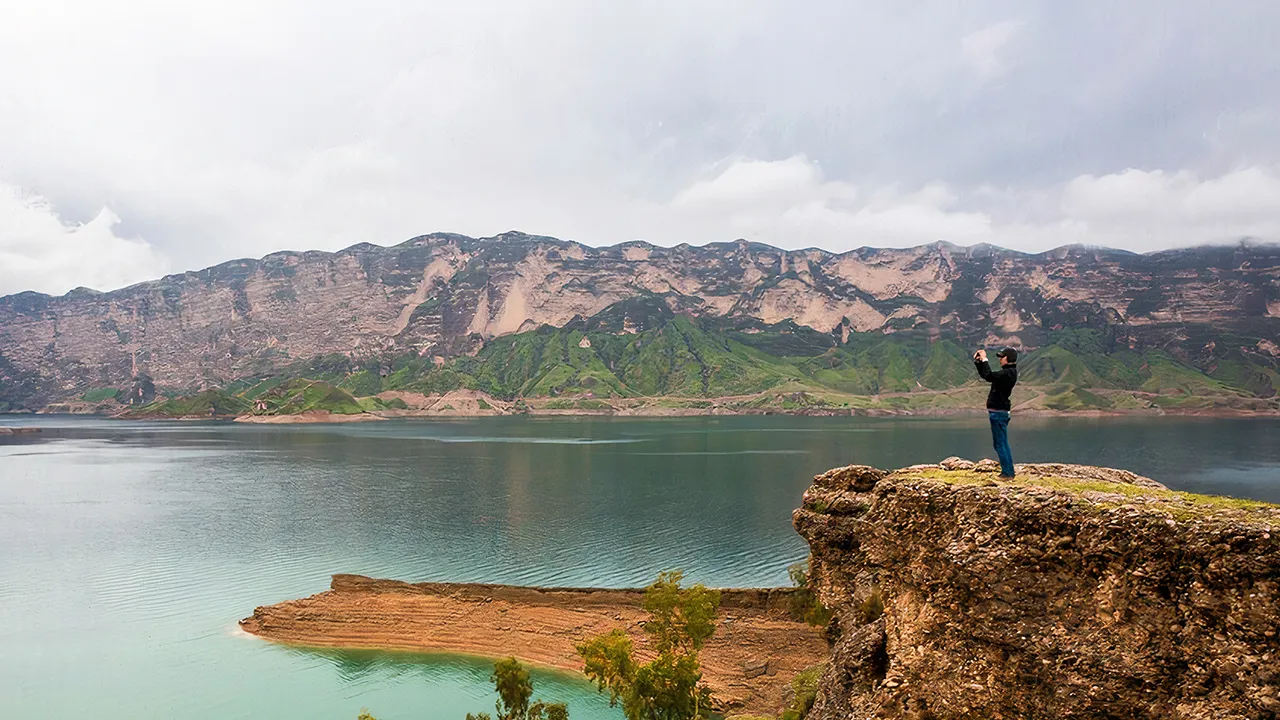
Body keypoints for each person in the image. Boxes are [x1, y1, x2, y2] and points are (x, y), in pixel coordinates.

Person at [974, 347, 1018, 478]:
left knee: (1000, 443)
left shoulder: (1008, 373)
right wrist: (979, 363)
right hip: (999, 412)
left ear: (1008, 358)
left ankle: (1008, 473)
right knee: (1000, 442)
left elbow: (989, 375)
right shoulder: (1008, 373)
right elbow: (987, 376)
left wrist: (985, 359)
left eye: (1002, 357)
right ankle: (1008, 470)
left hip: (998, 412)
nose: (1000, 359)